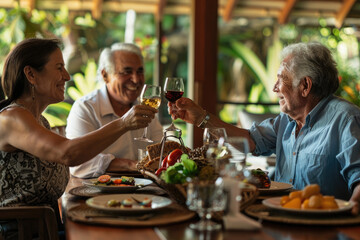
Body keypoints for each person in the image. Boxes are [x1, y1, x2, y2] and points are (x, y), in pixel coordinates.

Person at [168, 42, 360, 215]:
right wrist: (201, 117)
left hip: (323, 229)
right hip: (278, 217)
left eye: (281, 79)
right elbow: (248, 141)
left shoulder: (346, 119)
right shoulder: (286, 121)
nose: (275, 88)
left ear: (305, 85)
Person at [0, 38, 157, 227]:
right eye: (59, 67)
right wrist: (123, 124)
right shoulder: (12, 118)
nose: (67, 76)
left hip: (47, 229)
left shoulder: (39, 121)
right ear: (31, 74)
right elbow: (67, 153)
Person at [66, 43, 163, 178]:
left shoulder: (144, 107)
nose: (136, 79)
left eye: (140, 71)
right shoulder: (86, 108)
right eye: (126, 72)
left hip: (143, 189)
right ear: (105, 75)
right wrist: (131, 165)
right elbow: (78, 164)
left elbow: (161, 150)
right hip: (98, 192)